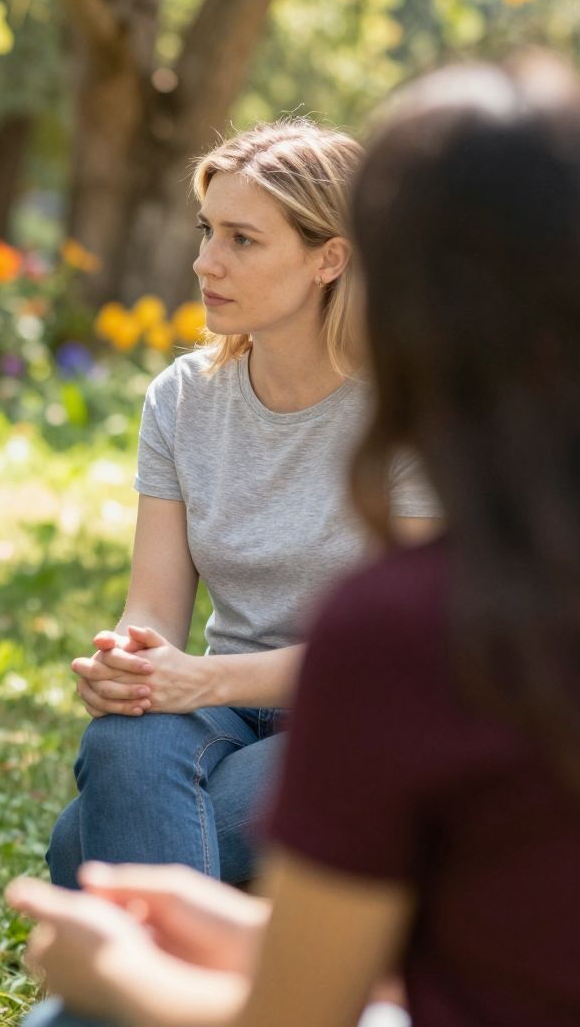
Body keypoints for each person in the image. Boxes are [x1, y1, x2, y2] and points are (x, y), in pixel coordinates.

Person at [8, 55, 580, 1027]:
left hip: (288, 764)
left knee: (73, 982)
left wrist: (117, 968)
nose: (208, 260)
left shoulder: (411, 625)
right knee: (124, 777)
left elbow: (291, 1016)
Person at [47, 120, 439, 889]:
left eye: (242, 240)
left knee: (78, 851)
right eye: (206, 231)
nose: (204, 262)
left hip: (367, 717)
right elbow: (153, 608)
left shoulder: (413, 408)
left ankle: (149, 991)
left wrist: (202, 680)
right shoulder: (182, 400)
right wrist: (133, 663)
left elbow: (403, 648)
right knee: (123, 745)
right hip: (222, 710)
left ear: (331, 257)